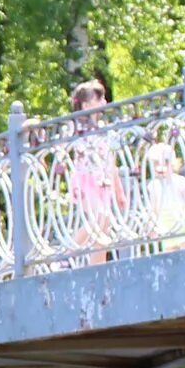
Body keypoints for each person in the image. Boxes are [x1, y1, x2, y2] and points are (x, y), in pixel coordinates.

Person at [62, 79, 127, 257]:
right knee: (97, 216)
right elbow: (63, 150)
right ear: (86, 104)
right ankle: (66, 255)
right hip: (86, 179)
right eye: (99, 99)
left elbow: (110, 160)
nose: (104, 103)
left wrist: (119, 190)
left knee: (105, 224)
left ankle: (98, 270)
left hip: (103, 181)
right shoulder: (75, 127)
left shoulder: (103, 129)